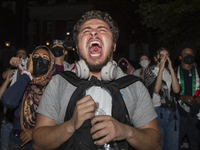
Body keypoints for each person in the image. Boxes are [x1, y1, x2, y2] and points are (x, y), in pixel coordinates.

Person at [32, 10, 161, 150]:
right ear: (77, 47)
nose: (93, 33)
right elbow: (38, 143)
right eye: (86, 30)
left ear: (114, 46)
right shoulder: (59, 83)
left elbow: (155, 144)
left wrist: (127, 132)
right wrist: (70, 125)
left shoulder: (134, 86)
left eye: (102, 30)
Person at [1, 45, 55, 149]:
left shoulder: (55, 84)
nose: (39, 60)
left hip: (41, 143)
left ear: (50, 63)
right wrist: (28, 74)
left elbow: (60, 118)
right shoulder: (24, 80)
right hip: (17, 142)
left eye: (44, 58)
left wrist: (35, 132)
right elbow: (8, 101)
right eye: (36, 56)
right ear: (30, 60)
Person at [144, 47, 180, 150]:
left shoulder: (170, 72)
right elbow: (156, 89)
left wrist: (171, 69)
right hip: (157, 111)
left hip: (172, 111)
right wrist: (161, 69)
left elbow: (176, 90)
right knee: (158, 145)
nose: (165, 57)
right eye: (162, 55)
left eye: (167, 55)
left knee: (172, 145)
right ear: (156, 58)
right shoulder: (149, 71)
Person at [175, 42, 200, 150]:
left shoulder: (199, 71)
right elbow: (168, 93)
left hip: (196, 114)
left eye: (191, 53)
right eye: (186, 54)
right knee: (176, 143)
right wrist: (181, 97)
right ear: (180, 57)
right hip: (179, 115)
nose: (189, 55)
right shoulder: (174, 72)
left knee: (196, 144)